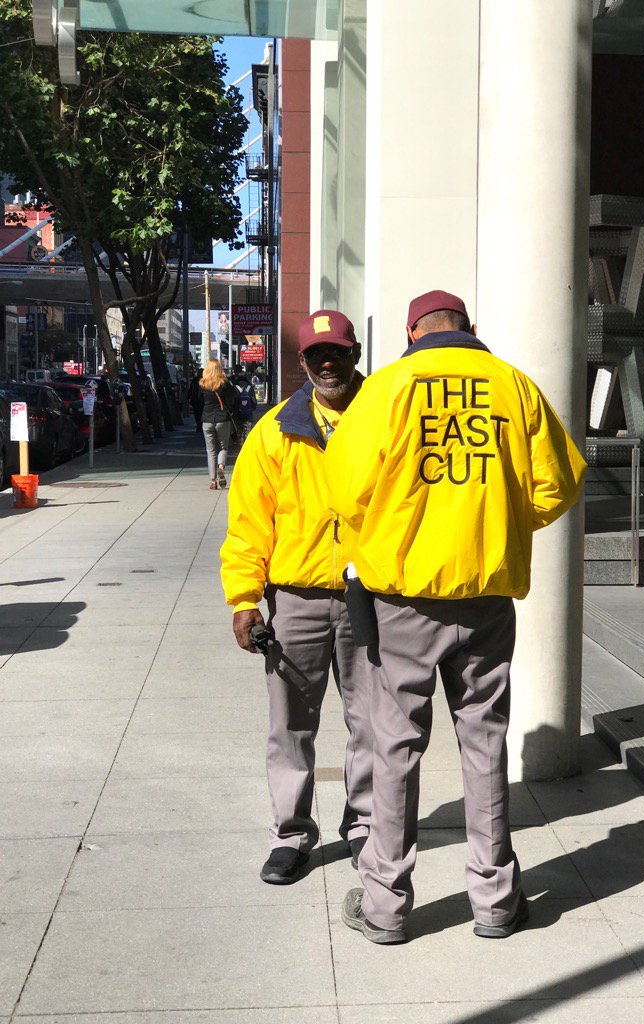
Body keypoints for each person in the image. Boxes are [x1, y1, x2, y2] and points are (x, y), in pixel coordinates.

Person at [325, 289, 587, 944]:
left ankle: (385, 906)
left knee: (395, 747)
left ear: (413, 333)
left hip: (402, 599)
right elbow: (557, 485)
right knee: (485, 740)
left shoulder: (385, 390)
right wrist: (497, 523)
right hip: (486, 596)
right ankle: (496, 900)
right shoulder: (513, 386)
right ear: (471, 328)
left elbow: (342, 489)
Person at [220, 309, 373, 885]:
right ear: (303, 362)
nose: (327, 362)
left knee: (374, 723)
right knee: (290, 725)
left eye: (336, 350)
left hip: (372, 596)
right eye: (315, 355)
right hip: (297, 600)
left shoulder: (386, 416)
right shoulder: (274, 431)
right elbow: (248, 524)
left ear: (355, 351)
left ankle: (364, 828)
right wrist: (243, 599)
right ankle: (291, 835)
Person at [200, 358, 237, 490]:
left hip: (207, 419)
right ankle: (221, 466)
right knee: (223, 447)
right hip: (222, 419)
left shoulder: (202, 384)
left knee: (210, 451)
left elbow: (198, 402)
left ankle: (213, 480)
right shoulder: (225, 384)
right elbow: (232, 399)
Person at [188, 368, 204, 432]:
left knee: (197, 414)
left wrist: (188, 397)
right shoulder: (205, 380)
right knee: (201, 413)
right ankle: (200, 426)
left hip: (195, 400)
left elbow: (191, 389)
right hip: (202, 400)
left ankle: (198, 426)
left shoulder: (194, 380)